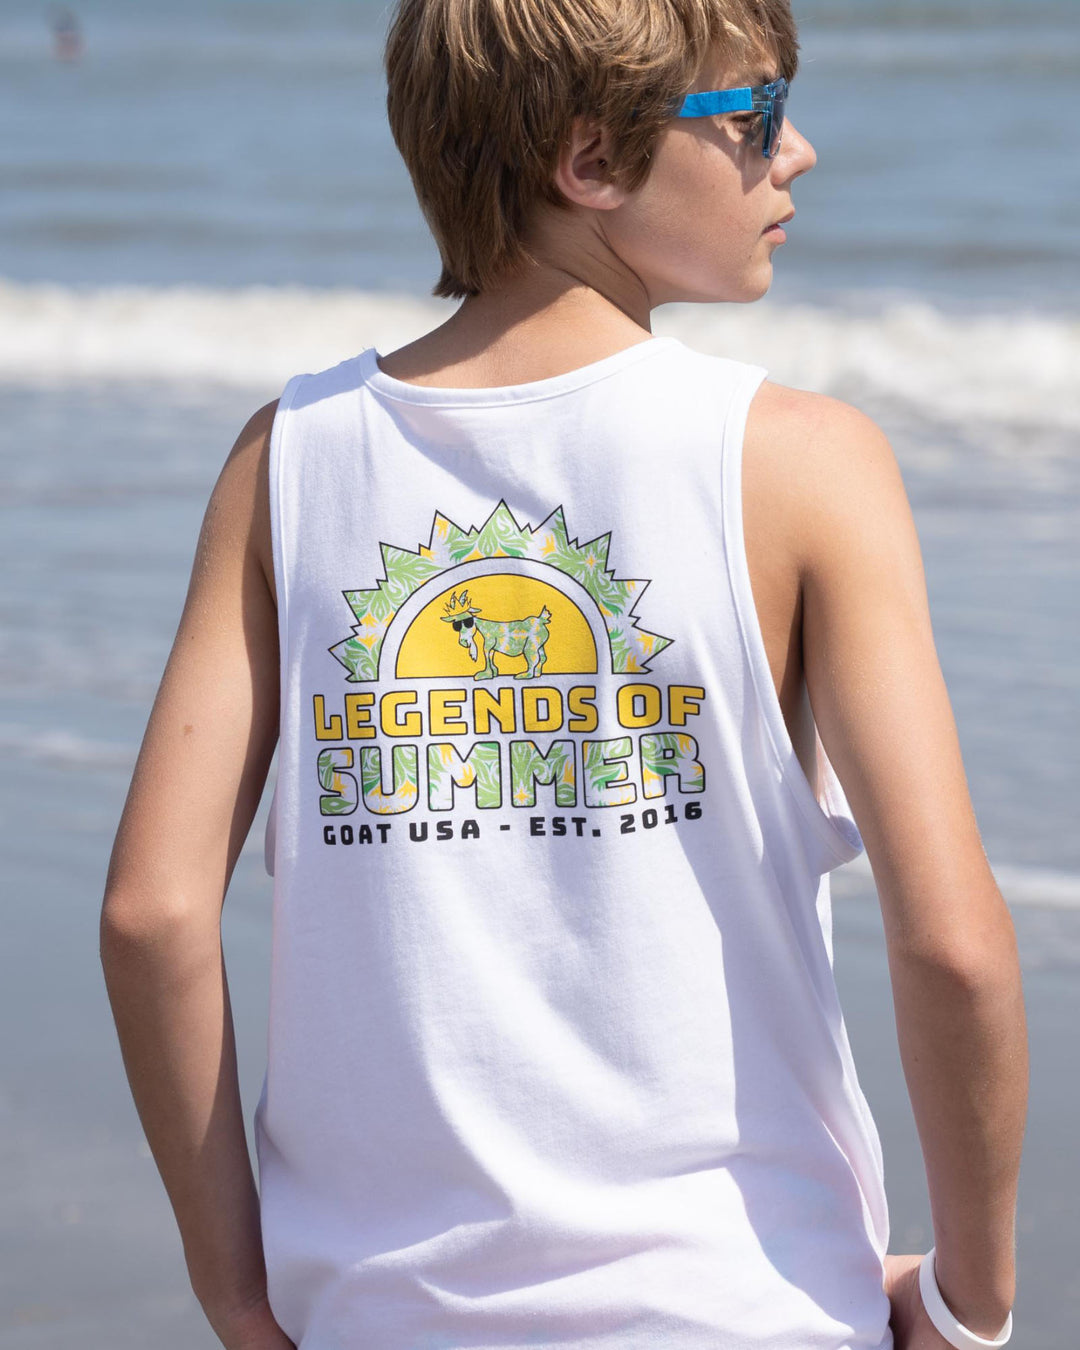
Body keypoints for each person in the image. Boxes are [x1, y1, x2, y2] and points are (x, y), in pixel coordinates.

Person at [99, 0, 1028, 1347]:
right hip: (737, 1305)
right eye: (756, 114)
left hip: (381, 1313)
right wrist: (972, 1299)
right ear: (591, 161)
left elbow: (150, 916)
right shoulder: (804, 464)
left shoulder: (284, 463)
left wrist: (235, 1285)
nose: (801, 152)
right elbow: (949, 939)